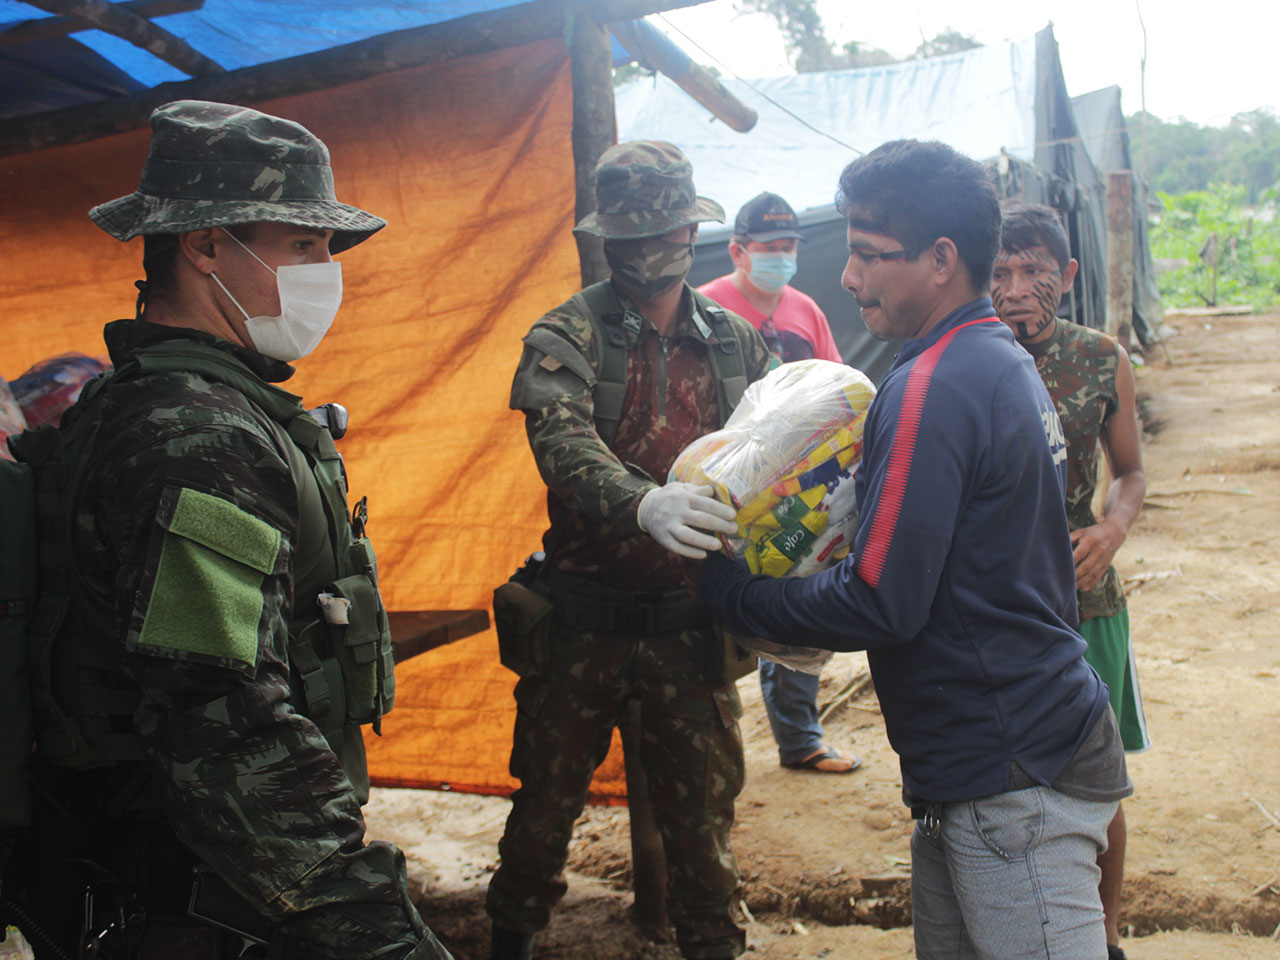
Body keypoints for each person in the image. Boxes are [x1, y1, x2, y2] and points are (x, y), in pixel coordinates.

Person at [2, 101, 451, 959]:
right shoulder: (195, 435)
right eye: (303, 245)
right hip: (193, 893)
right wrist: (374, 932)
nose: (327, 271)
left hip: (162, 870)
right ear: (205, 246)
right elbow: (221, 718)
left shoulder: (154, 401)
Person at [692, 139, 1132, 960]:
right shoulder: (995, 357)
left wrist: (728, 591)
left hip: (1007, 768)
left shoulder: (933, 383)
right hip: (999, 748)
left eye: (865, 254)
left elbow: (882, 599)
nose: (848, 277)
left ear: (941, 258)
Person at [486, 141, 772, 960]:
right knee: (541, 816)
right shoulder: (567, 333)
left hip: (690, 625)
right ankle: (510, 940)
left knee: (705, 833)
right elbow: (562, 445)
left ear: (691, 228)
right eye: (631, 236)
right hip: (582, 624)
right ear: (605, 239)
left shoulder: (734, 343)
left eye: (664, 232)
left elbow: (779, 453)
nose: (649, 252)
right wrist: (640, 503)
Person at [992, 201, 1150, 960]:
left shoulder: (1099, 356)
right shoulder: (964, 358)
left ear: (1069, 276)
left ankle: (1106, 930)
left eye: (1036, 272)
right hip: (994, 604)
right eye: (1000, 271)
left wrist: (1112, 528)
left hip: (1083, 601)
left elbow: (1132, 473)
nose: (1017, 288)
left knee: (1097, 775)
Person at [697, 192, 859, 775]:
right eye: (770, 248)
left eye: (790, 247)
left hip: (803, 487)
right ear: (738, 251)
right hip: (729, 483)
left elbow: (838, 384)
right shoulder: (706, 306)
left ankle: (800, 738)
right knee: (725, 604)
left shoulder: (805, 309)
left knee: (795, 596)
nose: (782, 257)